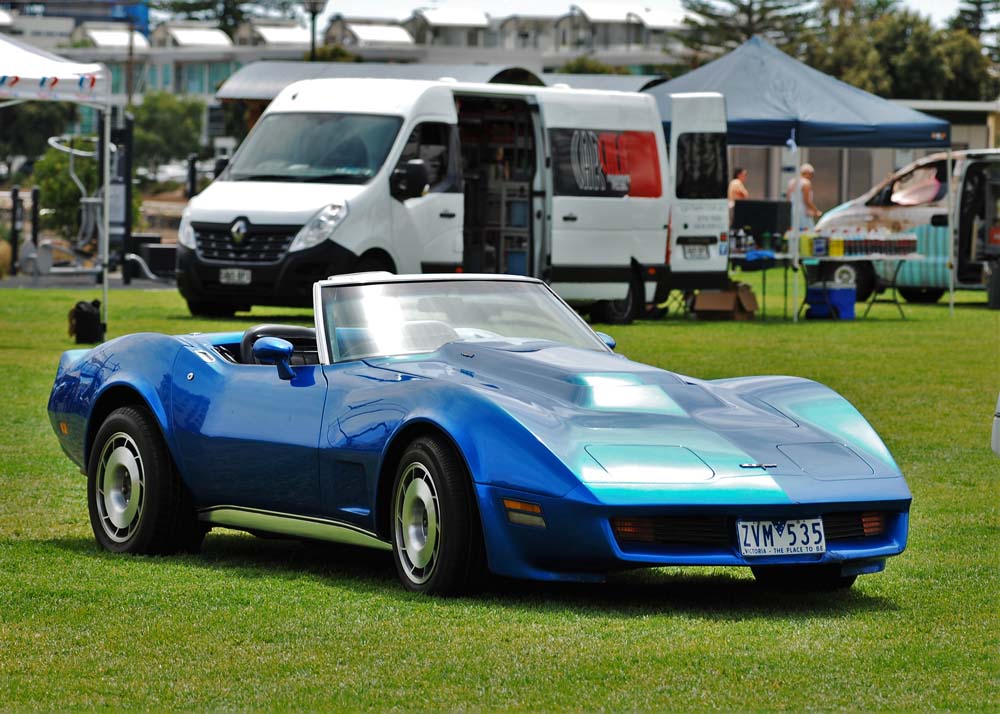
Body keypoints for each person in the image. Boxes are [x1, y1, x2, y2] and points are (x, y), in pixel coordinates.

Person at [787, 162, 821, 229]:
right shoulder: (806, 183)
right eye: (811, 175)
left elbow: (788, 198)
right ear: (808, 173)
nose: (811, 177)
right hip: (803, 212)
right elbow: (806, 201)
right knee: (807, 232)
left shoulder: (791, 182)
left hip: (792, 211)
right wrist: (816, 211)